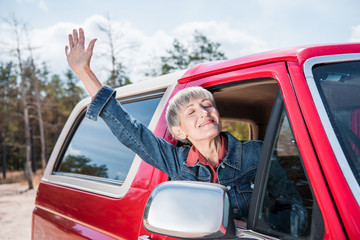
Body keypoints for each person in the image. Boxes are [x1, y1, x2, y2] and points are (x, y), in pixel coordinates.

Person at [65, 28, 262, 226]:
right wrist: (84, 71)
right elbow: (130, 130)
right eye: (191, 112)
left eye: (207, 105)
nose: (203, 112)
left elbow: (289, 208)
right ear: (179, 132)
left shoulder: (257, 153)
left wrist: (248, 227)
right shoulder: (177, 163)